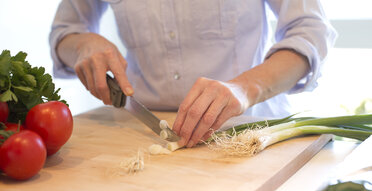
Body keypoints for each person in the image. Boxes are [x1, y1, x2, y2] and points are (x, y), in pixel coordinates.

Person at [49, 0, 336, 148]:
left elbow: (310, 31)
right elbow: (64, 33)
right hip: (139, 132)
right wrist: (83, 45)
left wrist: (246, 88)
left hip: (250, 132)